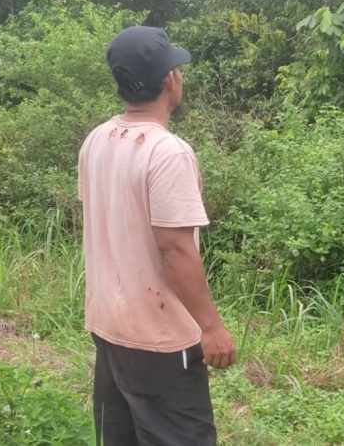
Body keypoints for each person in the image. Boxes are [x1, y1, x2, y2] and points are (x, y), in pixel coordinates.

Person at [78, 26, 236, 446]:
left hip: (109, 324)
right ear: (170, 79)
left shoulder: (96, 140)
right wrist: (211, 328)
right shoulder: (167, 152)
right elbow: (174, 248)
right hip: (160, 337)